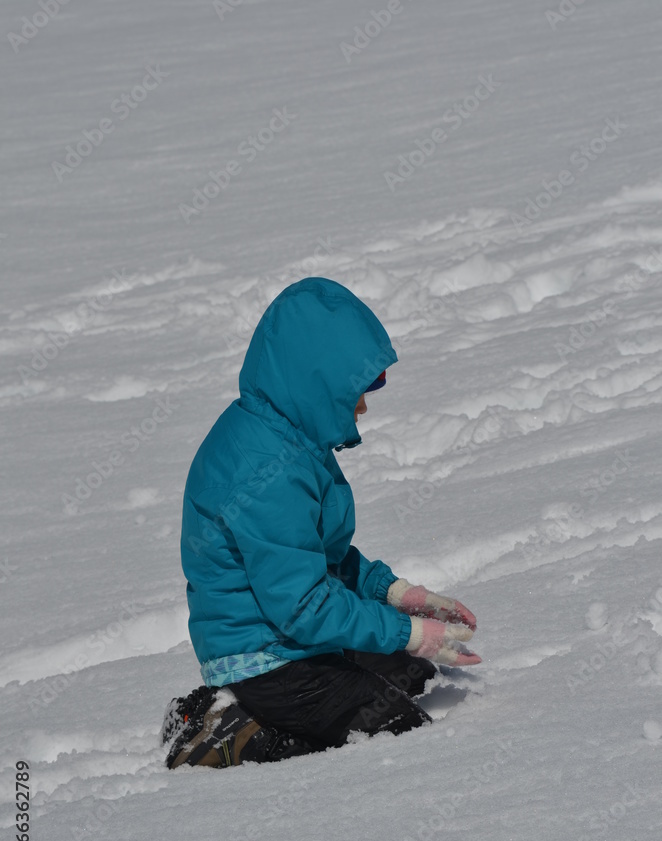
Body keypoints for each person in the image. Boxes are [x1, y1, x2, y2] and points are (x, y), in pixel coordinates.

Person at [162, 277, 480, 769]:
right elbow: (305, 605)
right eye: (356, 389)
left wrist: (394, 594)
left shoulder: (289, 438)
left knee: (415, 676)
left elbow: (316, 559)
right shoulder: (267, 470)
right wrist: (407, 631)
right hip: (266, 659)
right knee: (396, 730)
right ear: (317, 384)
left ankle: (252, 717)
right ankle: (227, 730)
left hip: (292, 637)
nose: (364, 405)